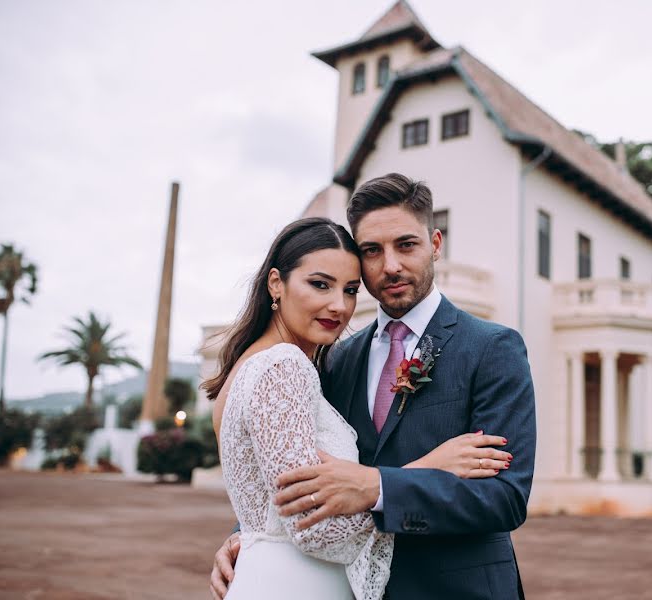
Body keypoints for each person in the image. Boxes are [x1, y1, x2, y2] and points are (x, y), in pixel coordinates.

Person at [211, 175, 536, 599]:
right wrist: (247, 538)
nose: (391, 265)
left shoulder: (493, 348)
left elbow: (504, 497)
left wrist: (378, 487)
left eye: (406, 245)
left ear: (435, 244)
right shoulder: (337, 360)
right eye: (372, 251)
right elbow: (295, 467)